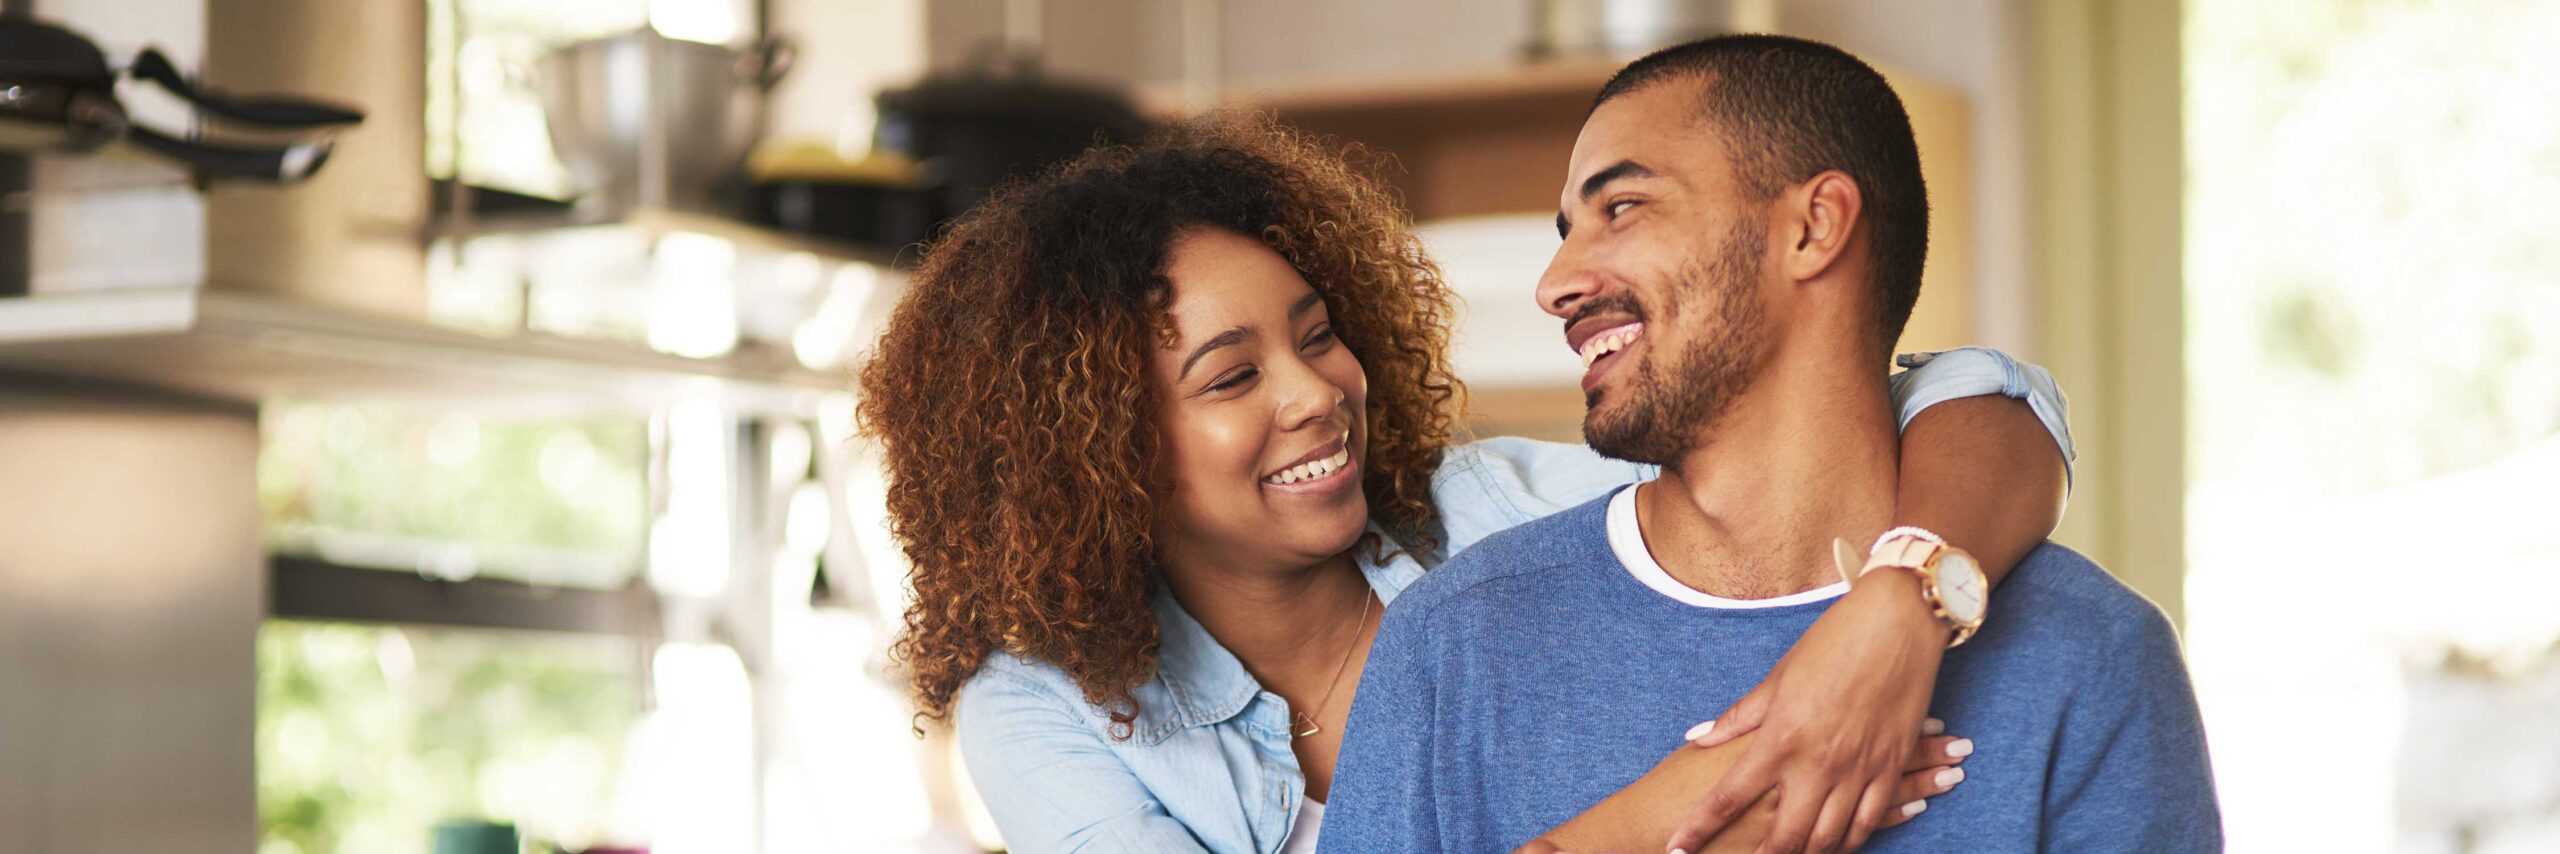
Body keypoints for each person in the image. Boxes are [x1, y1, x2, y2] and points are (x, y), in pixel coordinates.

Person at [858, 114, 2076, 853]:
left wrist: (1896, 603)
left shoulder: (1493, 510)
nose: (1316, 391)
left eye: (1318, 331)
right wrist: (1688, 805)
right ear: (1097, 453)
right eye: (1232, 378)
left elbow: (1977, 393)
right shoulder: (1044, 708)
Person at [1321, 35, 2220, 854]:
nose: (1556, 284)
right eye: (1566, 232)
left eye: (1622, 207)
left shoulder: (2091, 659)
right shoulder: (1454, 645)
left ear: (1813, 226)